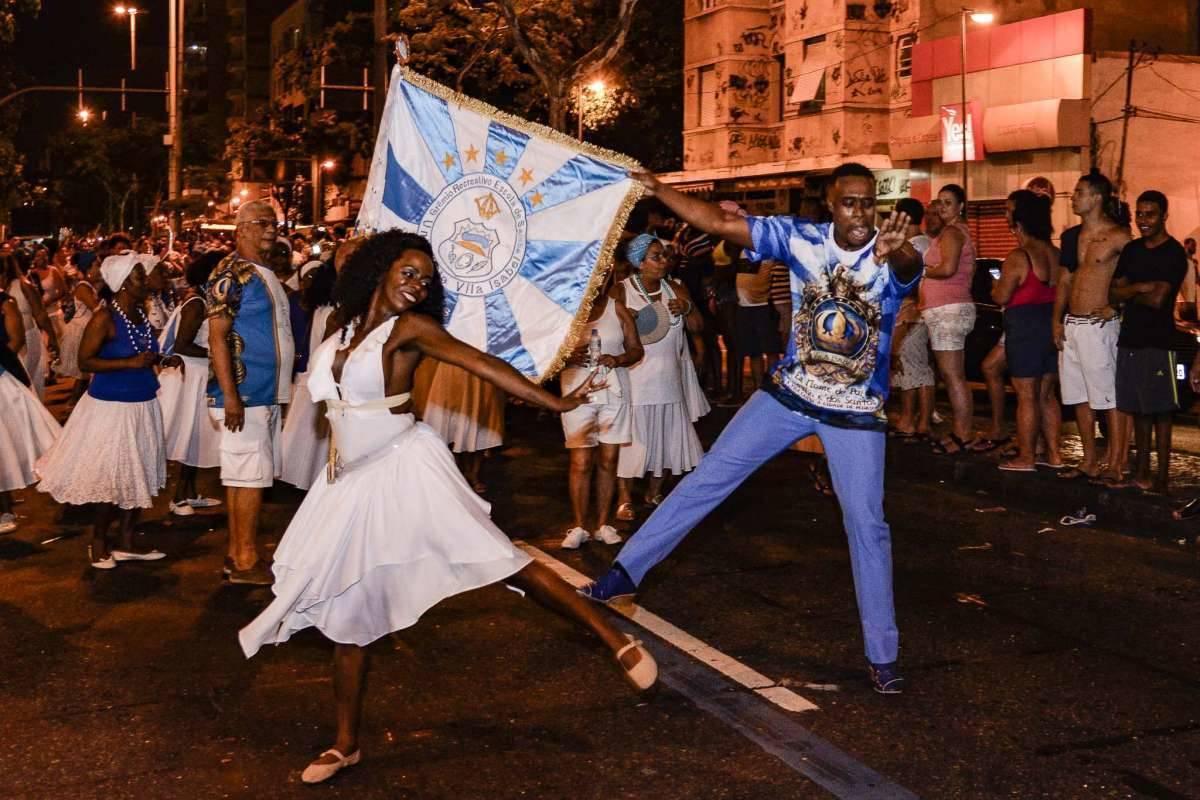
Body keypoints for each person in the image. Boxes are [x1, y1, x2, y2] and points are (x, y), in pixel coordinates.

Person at [238, 231, 657, 784]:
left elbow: (482, 364)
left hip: (404, 463)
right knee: (345, 610)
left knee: (498, 559)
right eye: (408, 272)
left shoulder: (410, 331)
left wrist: (551, 399)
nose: (417, 285)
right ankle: (345, 745)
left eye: (426, 279)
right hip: (348, 483)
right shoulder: (340, 333)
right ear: (380, 270)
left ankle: (614, 639)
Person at [583, 163, 922, 695]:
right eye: (850, 203)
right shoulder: (799, 238)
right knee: (708, 477)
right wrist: (658, 189)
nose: (861, 214)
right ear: (830, 205)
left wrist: (899, 249)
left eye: (868, 203)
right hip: (786, 397)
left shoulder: (890, 250)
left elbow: (908, 267)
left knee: (867, 525)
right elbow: (719, 224)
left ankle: (883, 654)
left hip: (856, 412)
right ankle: (623, 575)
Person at [36, 254, 179, 568]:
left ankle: (127, 541)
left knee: (138, 472)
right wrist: (129, 363)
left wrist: (163, 360)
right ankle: (98, 541)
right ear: (124, 283)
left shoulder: (140, 315)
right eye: (141, 276)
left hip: (143, 403)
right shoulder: (105, 318)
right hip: (112, 409)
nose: (147, 281)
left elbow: (147, 352)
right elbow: (85, 361)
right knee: (112, 477)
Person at [206, 201, 296, 585]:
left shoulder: (262, 273)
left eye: (273, 222)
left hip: (261, 396)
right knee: (249, 480)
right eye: (262, 223)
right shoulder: (232, 275)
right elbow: (217, 337)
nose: (271, 229)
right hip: (244, 398)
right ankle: (245, 561)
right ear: (240, 228)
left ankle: (237, 554)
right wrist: (231, 396)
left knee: (244, 478)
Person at [614, 234, 705, 520]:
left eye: (665, 255)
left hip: (669, 376)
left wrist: (687, 308)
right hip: (635, 376)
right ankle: (624, 498)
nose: (664, 261)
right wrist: (623, 319)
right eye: (656, 256)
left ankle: (654, 491)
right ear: (639, 263)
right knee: (632, 439)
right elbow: (605, 330)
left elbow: (699, 327)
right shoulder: (621, 290)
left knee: (667, 434)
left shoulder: (676, 288)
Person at [1052, 171, 1130, 482]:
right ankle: (1089, 460)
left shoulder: (1118, 236)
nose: (1073, 197)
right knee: (1078, 395)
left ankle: (1116, 462)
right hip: (1073, 323)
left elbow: (1131, 278)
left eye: (1079, 192)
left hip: (1099, 324)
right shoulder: (1072, 236)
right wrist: (1056, 319)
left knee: (1106, 395)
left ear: (1096, 197)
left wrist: (1116, 306)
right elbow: (1065, 281)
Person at [559, 270, 644, 549]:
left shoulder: (616, 308)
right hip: (576, 391)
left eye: (605, 275)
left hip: (614, 390)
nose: (599, 279)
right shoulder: (564, 307)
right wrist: (567, 356)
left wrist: (617, 358)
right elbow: (544, 353)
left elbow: (636, 350)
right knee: (581, 462)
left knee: (608, 459)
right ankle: (579, 526)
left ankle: (602, 525)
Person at [1111, 191, 1188, 495]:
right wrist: (1141, 286)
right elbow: (1112, 293)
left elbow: (1158, 300)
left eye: (1150, 214)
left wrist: (1130, 289)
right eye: (1139, 214)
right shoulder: (1131, 250)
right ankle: (1141, 473)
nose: (1143, 220)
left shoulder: (1173, 253)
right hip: (1130, 338)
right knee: (1138, 409)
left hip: (1160, 341)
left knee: (1161, 411)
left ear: (1164, 215)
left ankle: (1162, 478)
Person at [991, 190, 1062, 472]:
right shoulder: (1056, 254)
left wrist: (992, 286)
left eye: (1009, 211)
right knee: (1047, 394)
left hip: (1024, 326)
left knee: (1026, 395)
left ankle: (1027, 457)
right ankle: (1055, 455)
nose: (1006, 216)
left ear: (1021, 219)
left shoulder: (1019, 257)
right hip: (1051, 324)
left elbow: (1001, 296)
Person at [157, 251, 225, 515]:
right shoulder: (196, 303)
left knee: (198, 435)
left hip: (202, 373)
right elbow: (182, 345)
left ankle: (190, 492)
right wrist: (217, 354)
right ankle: (177, 498)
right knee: (188, 434)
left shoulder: (208, 300)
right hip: (192, 376)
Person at [0, 286, 61, 536]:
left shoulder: (5, 303)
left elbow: (15, 342)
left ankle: (5, 507)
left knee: (4, 445)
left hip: (2, 375)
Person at [922, 184, 978, 455]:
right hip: (947, 308)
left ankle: (963, 435)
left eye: (948, 202)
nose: (942, 207)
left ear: (960, 207)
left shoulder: (953, 232)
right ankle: (961, 431)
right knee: (952, 374)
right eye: (939, 202)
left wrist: (920, 271)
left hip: (949, 309)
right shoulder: (950, 232)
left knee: (953, 375)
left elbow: (947, 268)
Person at [278, 262, 338, 490]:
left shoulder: (320, 309)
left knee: (306, 440)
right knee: (314, 441)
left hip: (310, 377)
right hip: (319, 379)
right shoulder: (331, 313)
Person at [888, 198, 935, 440]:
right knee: (920, 368)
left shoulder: (911, 248)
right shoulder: (928, 242)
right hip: (924, 311)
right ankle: (921, 421)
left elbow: (907, 285)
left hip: (911, 312)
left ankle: (911, 420)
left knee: (908, 366)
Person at [2, 253, 58, 401]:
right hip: (4, 343)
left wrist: (52, 338)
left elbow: (40, 314)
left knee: (25, 380)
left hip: (26, 339)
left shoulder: (23, 285)